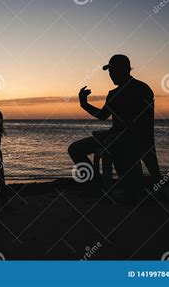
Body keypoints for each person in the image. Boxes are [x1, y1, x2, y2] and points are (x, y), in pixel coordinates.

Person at [68, 54, 160, 201]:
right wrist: (84, 104)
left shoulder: (141, 89)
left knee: (115, 147)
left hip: (134, 137)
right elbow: (103, 115)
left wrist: (122, 136)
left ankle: (130, 188)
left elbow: (144, 120)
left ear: (125, 70)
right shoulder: (113, 94)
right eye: (110, 71)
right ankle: (96, 184)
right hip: (113, 136)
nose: (111, 74)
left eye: (114, 70)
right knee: (75, 149)